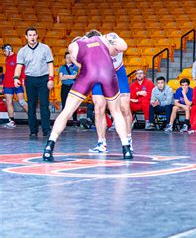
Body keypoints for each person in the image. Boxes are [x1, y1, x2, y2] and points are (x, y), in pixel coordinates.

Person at [42, 32, 132, 161]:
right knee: (116, 111)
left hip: (89, 72)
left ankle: (49, 146)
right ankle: (126, 148)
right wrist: (112, 41)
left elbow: (79, 64)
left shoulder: (74, 45)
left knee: (67, 111)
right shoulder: (106, 38)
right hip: (107, 71)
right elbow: (123, 46)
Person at [89, 48, 133, 154]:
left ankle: (128, 139)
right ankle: (101, 143)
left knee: (124, 108)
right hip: (99, 74)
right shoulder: (89, 46)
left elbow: (124, 46)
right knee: (99, 109)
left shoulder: (113, 40)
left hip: (117, 73)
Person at [14, 27, 54, 139]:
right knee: (31, 106)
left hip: (43, 79)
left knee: (44, 105)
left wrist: (51, 79)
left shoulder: (45, 48)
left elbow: (50, 64)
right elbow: (19, 66)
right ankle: (33, 131)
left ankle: (46, 130)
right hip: (30, 80)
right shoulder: (22, 51)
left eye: (34, 35)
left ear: (37, 36)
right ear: (26, 37)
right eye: (30, 35)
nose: (32, 37)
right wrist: (16, 77)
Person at [2, 44, 28, 128]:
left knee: (22, 102)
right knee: (9, 102)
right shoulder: (7, 59)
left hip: (17, 83)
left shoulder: (17, 57)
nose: (4, 53)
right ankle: (11, 121)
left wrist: (23, 80)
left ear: (8, 49)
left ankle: (32, 118)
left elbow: (23, 70)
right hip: (7, 84)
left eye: (4, 51)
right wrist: (3, 85)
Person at [59, 51, 79, 126]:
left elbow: (73, 76)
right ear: (65, 58)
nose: (68, 59)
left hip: (73, 86)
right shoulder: (62, 67)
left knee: (73, 103)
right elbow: (61, 78)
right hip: (64, 87)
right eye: (67, 57)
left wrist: (65, 76)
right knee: (64, 104)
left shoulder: (75, 67)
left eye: (70, 57)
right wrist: (67, 76)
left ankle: (74, 120)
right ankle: (64, 121)